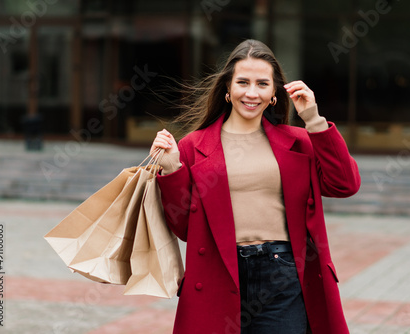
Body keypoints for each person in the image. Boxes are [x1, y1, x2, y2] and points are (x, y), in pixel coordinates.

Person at [150, 39, 360, 334]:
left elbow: (345, 184)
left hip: (283, 274)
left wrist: (313, 119)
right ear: (227, 89)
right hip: (218, 274)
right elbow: (185, 227)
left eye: (262, 84)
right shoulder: (193, 147)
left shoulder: (298, 142)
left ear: (274, 93)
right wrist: (171, 169)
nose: (252, 93)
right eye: (243, 82)